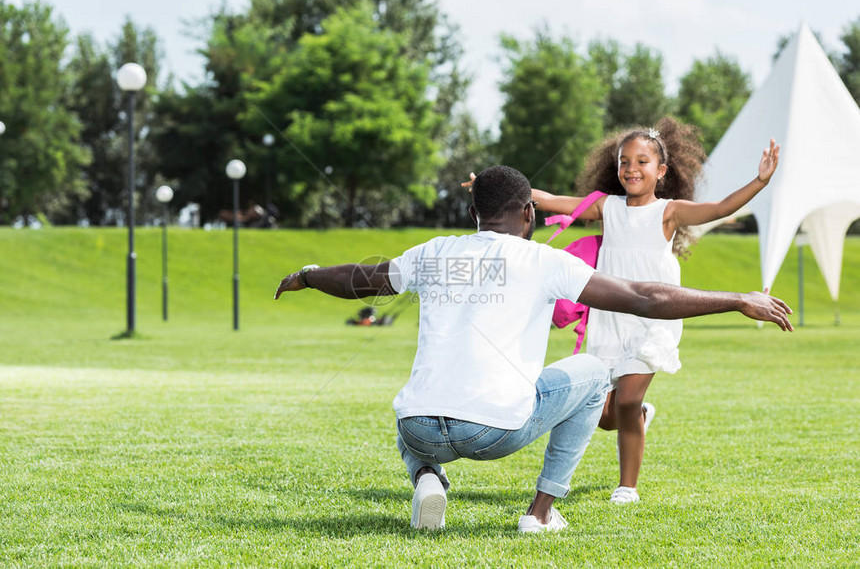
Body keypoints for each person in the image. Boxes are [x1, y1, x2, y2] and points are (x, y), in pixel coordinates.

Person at [275, 165, 792, 532]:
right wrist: (736, 299)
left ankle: (427, 478)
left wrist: (308, 274)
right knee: (592, 373)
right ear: (527, 213)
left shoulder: (437, 254)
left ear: (473, 211)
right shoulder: (543, 261)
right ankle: (541, 512)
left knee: (414, 404)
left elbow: (361, 279)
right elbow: (644, 297)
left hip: (421, 429)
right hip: (493, 431)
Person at [523, 117, 780, 504]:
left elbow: (721, 207)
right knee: (606, 415)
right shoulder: (607, 207)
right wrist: (498, 188)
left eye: (641, 162)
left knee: (625, 400)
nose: (631, 169)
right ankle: (640, 415)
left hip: (654, 316)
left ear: (661, 171)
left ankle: (628, 486)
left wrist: (759, 181)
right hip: (610, 317)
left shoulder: (669, 212)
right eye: (624, 162)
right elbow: (552, 200)